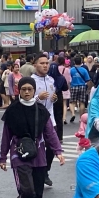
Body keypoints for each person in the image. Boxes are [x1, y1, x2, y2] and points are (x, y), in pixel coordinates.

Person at [0, 77, 65, 198]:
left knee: (38, 194)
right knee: (26, 191)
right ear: (19, 91)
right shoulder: (12, 111)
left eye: (30, 89)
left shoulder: (42, 111)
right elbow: (6, 136)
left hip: (39, 156)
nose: (27, 92)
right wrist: (2, 157)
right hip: (18, 155)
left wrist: (58, 151)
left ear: (34, 90)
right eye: (24, 89)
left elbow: (50, 133)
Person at [31, 55, 57, 187]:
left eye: (47, 63)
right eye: (42, 63)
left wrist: (54, 98)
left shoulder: (51, 80)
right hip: (36, 118)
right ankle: (35, 171)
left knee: (52, 147)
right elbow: (24, 99)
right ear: (35, 65)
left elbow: (52, 100)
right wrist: (38, 97)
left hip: (50, 118)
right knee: (37, 147)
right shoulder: (31, 81)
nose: (45, 65)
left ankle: (45, 170)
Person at [48, 62, 69, 143]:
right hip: (59, 97)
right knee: (58, 118)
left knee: (49, 116)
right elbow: (65, 88)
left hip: (49, 96)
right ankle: (59, 137)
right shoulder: (61, 78)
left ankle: (50, 135)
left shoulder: (48, 78)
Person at [69, 56, 92, 122]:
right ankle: (81, 118)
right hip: (82, 86)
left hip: (73, 86)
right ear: (81, 62)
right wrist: (89, 88)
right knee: (82, 102)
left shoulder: (71, 70)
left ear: (74, 62)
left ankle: (73, 114)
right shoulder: (84, 70)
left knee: (72, 102)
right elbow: (88, 80)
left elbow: (69, 79)